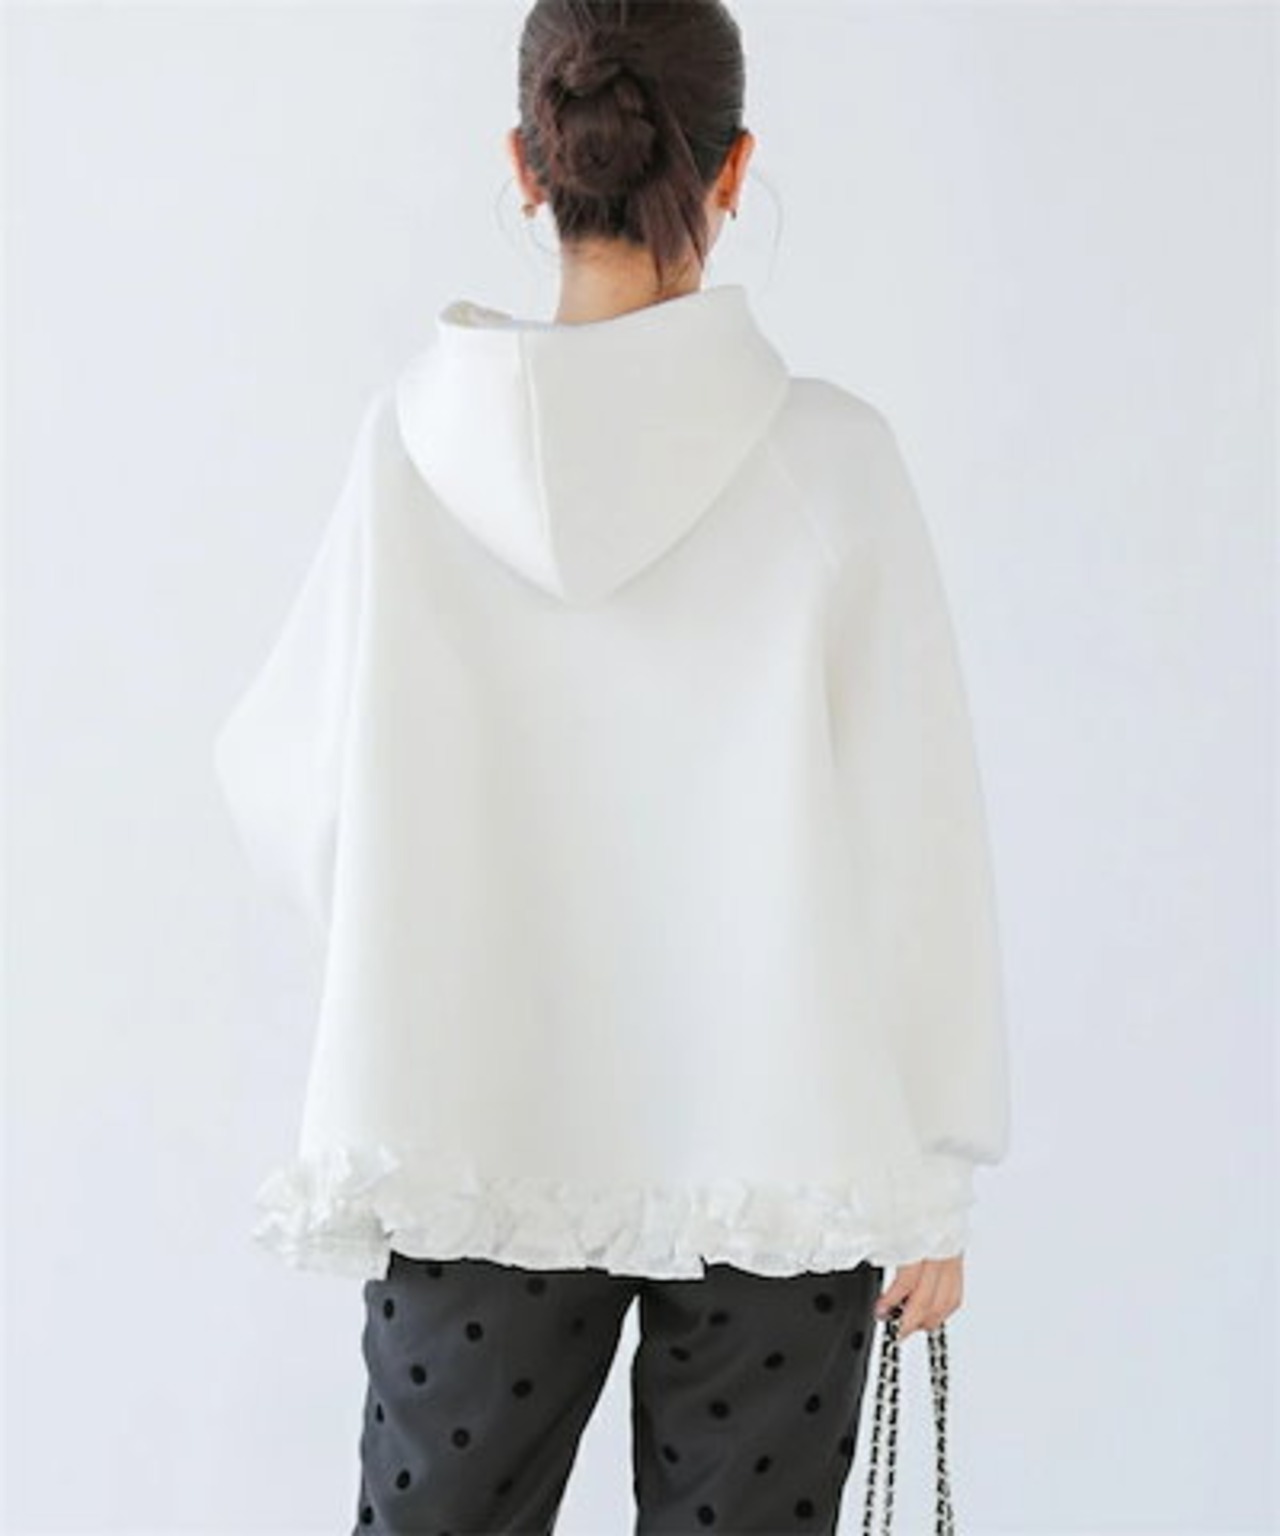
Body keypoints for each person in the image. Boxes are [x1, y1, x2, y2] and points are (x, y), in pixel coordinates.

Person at [212, 1, 1012, 1530]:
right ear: (734, 167)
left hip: (477, 1139)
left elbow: (296, 796)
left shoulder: (409, 450)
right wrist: (933, 1172)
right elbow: (916, 844)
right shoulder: (832, 466)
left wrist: (450, 952)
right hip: (783, 1161)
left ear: (530, 163)